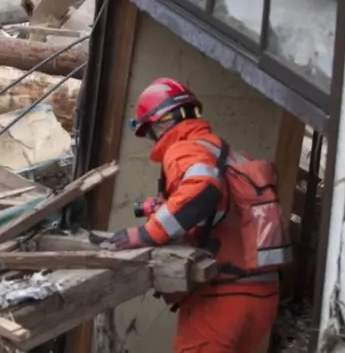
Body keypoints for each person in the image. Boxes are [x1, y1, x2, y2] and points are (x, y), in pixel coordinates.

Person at [100, 77, 293, 353]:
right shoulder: (227, 154)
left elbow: (202, 192)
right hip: (262, 296)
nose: (153, 138)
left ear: (162, 122)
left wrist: (145, 234)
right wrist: (164, 207)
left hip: (222, 297)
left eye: (150, 130)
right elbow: (214, 209)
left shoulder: (183, 149)